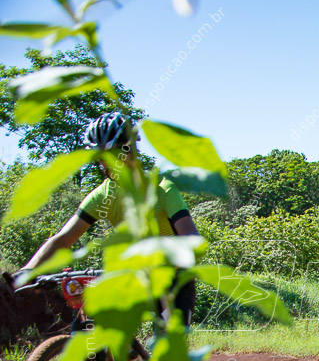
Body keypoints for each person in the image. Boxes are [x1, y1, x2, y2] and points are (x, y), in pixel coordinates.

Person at [20, 112, 201, 324]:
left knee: (168, 347)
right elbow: (63, 239)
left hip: (174, 280)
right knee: (94, 314)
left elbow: (191, 240)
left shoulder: (163, 190)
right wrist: (27, 271)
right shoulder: (103, 195)